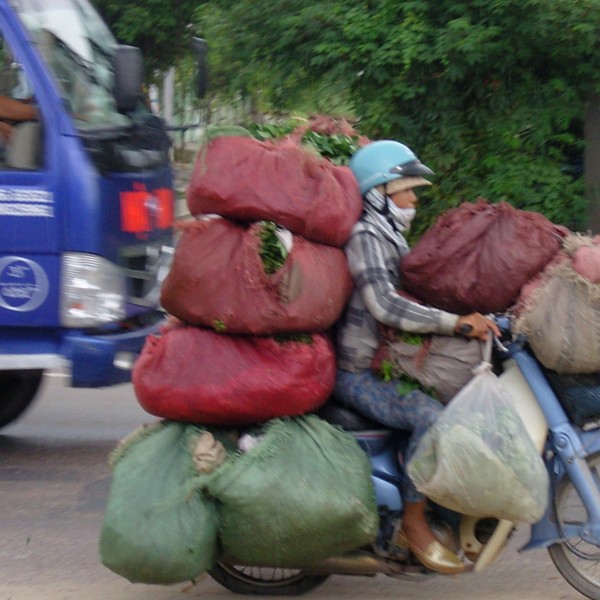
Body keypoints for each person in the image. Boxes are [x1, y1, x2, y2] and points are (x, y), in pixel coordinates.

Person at [335, 140, 500, 575]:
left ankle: (447, 509)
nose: (413, 200)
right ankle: (413, 522)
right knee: (429, 416)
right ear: (378, 194)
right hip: (356, 373)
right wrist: (454, 323)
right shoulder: (365, 236)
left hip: (388, 363)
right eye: (406, 191)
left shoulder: (392, 237)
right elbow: (385, 305)